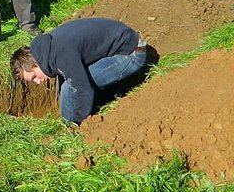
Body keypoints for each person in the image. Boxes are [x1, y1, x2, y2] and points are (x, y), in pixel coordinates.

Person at [10, 18, 148, 125]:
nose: (38, 82)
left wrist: (77, 122)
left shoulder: (61, 55)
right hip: (122, 44)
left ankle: (69, 129)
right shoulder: (48, 48)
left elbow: (82, 89)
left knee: (69, 88)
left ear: (35, 63)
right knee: (69, 82)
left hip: (132, 53)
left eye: (34, 76)